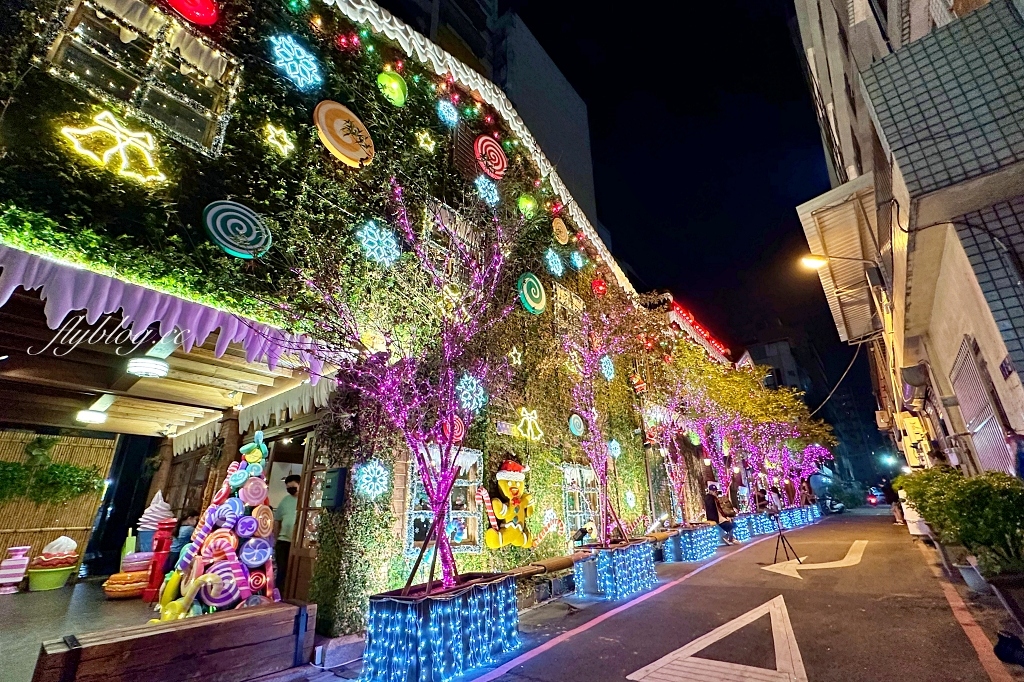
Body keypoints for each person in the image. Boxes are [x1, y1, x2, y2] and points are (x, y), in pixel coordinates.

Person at [274, 475, 301, 591]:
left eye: (293, 487)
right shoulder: (285, 501)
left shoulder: (307, 501)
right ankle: (278, 595)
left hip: (299, 543)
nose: (291, 490)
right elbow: (277, 521)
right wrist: (276, 538)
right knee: (282, 570)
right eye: (288, 488)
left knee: (296, 572)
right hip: (284, 541)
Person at [164, 508, 198, 573]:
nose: (196, 522)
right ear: (190, 518)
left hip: (171, 553)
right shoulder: (189, 529)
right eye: (196, 519)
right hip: (178, 554)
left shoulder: (179, 527)